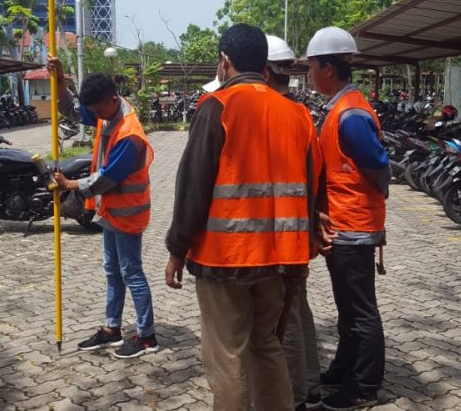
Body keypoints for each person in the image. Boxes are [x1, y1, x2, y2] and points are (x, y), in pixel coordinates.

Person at [165, 23, 322, 411]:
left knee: (229, 357)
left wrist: (176, 249)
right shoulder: (297, 114)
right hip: (281, 259)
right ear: (265, 66)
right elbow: (310, 190)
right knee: (267, 345)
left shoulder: (217, 107)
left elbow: (193, 187)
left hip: (225, 259)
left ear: (225, 61)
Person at [48, 58, 159, 359]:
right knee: (112, 270)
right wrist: (59, 79)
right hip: (111, 212)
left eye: (98, 110)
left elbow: (108, 177)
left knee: (131, 272)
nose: (94, 116)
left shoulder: (130, 133)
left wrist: (71, 185)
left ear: (113, 99)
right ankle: (112, 329)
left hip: (128, 213)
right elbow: (70, 109)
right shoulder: (107, 114)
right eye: (93, 111)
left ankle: (147, 335)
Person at [305, 26, 389, 410]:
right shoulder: (340, 105)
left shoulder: (351, 113)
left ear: (327, 67)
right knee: (348, 309)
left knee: (360, 311)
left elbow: (377, 165)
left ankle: (364, 386)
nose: (307, 74)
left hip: (353, 226)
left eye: (310, 66)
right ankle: (344, 368)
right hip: (342, 225)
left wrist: (372, 198)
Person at [265, 34, 322, 411]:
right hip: (298, 231)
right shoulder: (302, 113)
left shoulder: (271, 113)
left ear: (265, 71)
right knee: (299, 310)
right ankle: (312, 386)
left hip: (277, 237)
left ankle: (298, 396)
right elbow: (315, 175)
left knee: (283, 322)